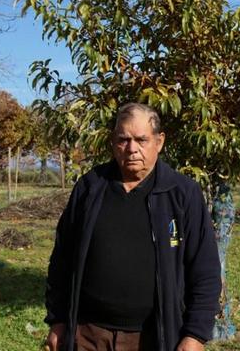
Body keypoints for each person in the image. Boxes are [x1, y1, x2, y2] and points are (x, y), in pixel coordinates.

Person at [44, 103, 221, 351]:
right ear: (112, 141)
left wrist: (195, 334)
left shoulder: (182, 194)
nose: (131, 149)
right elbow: (62, 261)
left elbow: (205, 269)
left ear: (159, 142)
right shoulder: (90, 188)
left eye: (141, 140)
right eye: (123, 140)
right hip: (88, 335)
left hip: (153, 337)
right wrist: (58, 319)